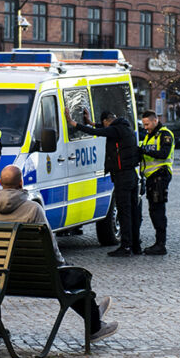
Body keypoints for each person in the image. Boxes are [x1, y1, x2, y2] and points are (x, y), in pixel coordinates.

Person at [0, 165, 118, 343]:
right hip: (38, 278)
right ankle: (95, 325)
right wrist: (62, 265)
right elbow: (50, 246)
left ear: (0, 182)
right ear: (21, 183)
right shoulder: (33, 209)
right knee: (78, 277)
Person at [66, 107, 140, 257]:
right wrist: (92, 123)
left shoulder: (116, 130)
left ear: (107, 121)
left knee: (124, 213)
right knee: (132, 212)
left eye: (103, 123)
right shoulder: (124, 127)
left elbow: (100, 132)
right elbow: (104, 129)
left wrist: (74, 124)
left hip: (122, 177)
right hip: (131, 175)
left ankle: (125, 247)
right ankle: (135, 246)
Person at [139, 111, 174, 255]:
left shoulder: (164, 134)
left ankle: (161, 244)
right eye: (144, 124)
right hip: (151, 177)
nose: (145, 127)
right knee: (153, 210)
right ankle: (158, 243)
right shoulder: (148, 135)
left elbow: (163, 154)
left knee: (158, 210)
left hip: (160, 175)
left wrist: (144, 150)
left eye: (147, 124)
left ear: (155, 121)